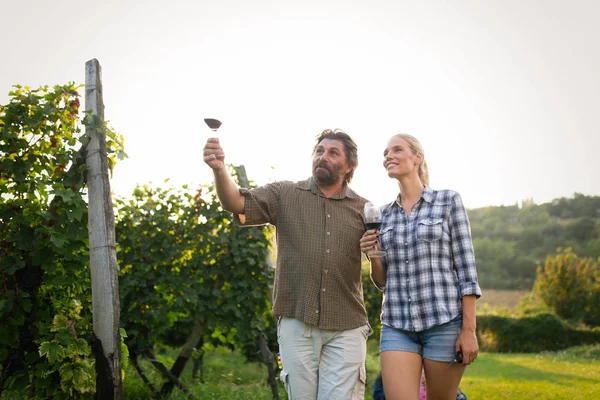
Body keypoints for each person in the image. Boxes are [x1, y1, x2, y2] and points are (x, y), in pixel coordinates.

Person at [203, 128, 372, 399]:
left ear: (349, 164)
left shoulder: (364, 209)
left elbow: (379, 264)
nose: (323, 157)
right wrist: (219, 169)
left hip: (347, 326)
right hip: (297, 320)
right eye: (319, 151)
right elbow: (234, 201)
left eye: (333, 153)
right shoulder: (284, 194)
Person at [360, 134, 481, 400]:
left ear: (417, 157)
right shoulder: (383, 215)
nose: (388, 156)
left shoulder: (448, 201)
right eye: (385, 152)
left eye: (396, 149)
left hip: (444, 323)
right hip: (397, 324)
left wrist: (468, 330)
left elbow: (466, 271)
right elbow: (382, 281)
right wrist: (373, 254)